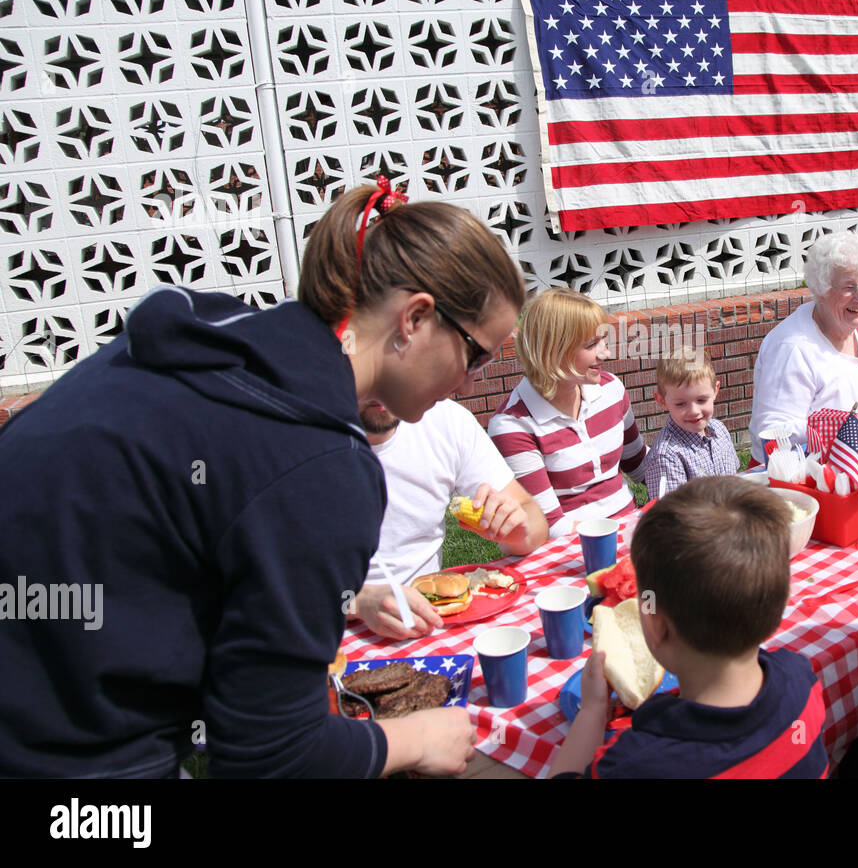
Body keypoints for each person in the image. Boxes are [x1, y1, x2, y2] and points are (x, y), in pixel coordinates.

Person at [0, 180, 526, 778]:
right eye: (477, 354)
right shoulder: (313, 457)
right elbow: (270, 756)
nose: (469, 382)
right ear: (415, 318)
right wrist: (413, 739)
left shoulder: (215, 354)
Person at [549, 475, 829, 778]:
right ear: (780, 601)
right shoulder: (802, 678)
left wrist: (591, 713)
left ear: (656, 626)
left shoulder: (638, 764)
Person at [351, 399, 549, 639]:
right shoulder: (302, 439)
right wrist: (359, 601)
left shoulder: (445, 421)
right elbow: (295, 595)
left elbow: (534, 520)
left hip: (431, 623)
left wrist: (518, 529)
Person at [489, 288, 647, 537]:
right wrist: (628, 534)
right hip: (573, 549)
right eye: (592, 344)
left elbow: (640, 466)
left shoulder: (611, 389)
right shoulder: (513, 426)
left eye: (603, 340)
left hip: (633, 530)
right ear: (553, 351)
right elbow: (548, 526)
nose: (606, 353)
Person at [749, 232, 858, 462]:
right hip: (798, 477)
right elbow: (774, 436)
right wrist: (848, 428)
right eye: (848, 287)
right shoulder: (792, 348)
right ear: (821, 290)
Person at [644, 346, 739, 497]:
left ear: (715, 391)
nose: (694, 411)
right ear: (662, 401)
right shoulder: (667, 455)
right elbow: (672, 513)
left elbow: (735, 480)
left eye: (701, 400)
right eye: (681, 404)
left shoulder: (719, 430)